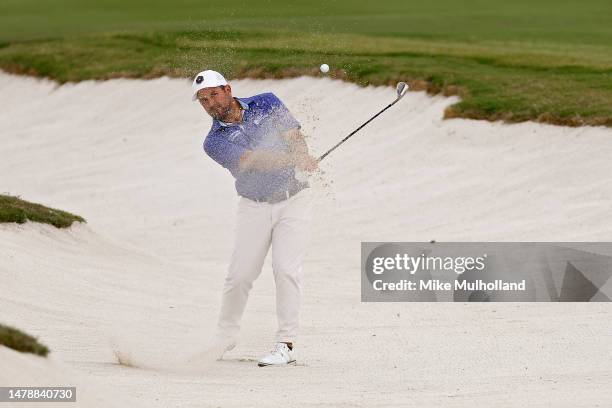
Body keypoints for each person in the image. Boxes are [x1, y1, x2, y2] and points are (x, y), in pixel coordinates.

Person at [192, 70, 317, 367]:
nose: (209, 103)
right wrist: (293, 159)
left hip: (294, 200)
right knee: (239, 276)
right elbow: (252, 161)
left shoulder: (266, 101)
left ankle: (286, 344)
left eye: (213, 95)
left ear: (228, 89)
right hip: (254, 206)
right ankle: (224, 338)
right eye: (203, 100)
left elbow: (293, 135)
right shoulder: (214, 142)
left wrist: (302, 154)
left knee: (285, 269)